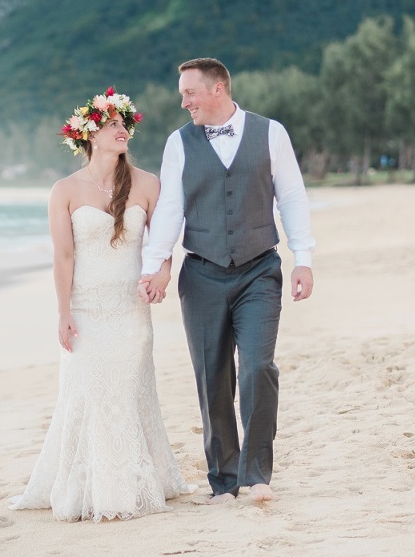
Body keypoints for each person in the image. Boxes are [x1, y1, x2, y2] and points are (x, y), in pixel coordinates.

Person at [10, 87, 193, 522]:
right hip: (86, 310)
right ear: (89, 135)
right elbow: (64, 256)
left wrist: (162, 274)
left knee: (128, 392)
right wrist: (63, 312)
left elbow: (163, 241)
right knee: (89, 394)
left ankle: (132, 482)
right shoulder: (65, 190)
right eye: (112, 125)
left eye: (124, 124)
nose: (122, 130)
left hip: (131, 310)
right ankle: (87, 485)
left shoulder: (148, 184)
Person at [139, 58, 315, 505]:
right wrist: (156, 263)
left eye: (189, 93)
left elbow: (292, 195)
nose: (184, 102)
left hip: (260, 270)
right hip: (200, 273)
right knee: (212, 376)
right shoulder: (179, 143)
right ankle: (224, 479)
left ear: (217, 89)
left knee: (259, 368)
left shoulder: (270, 133)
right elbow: (171, 207)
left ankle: (256, 476)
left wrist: (303, 258)